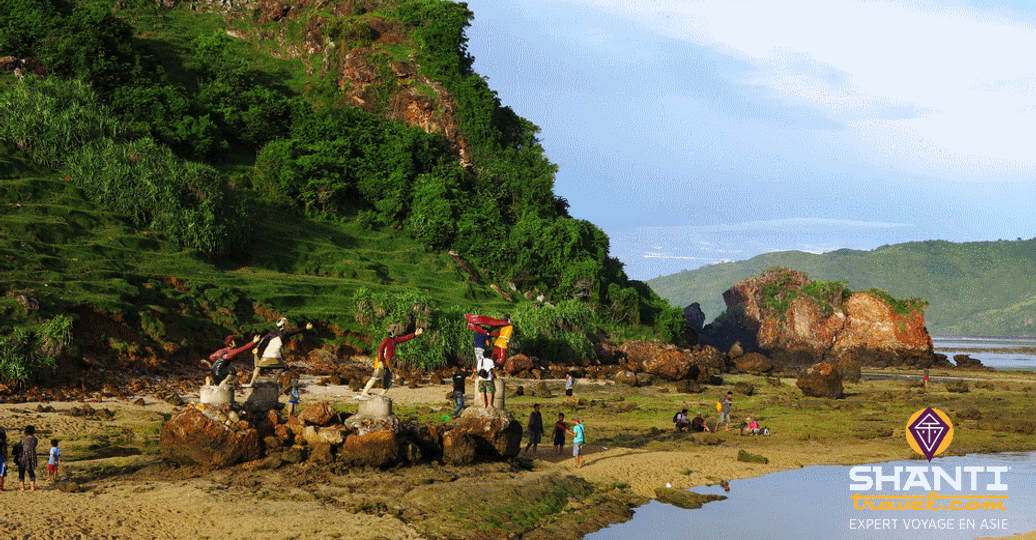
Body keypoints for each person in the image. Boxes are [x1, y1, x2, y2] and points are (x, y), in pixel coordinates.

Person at [359, 325, 424, 397]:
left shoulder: (395, 340)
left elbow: (405, 338)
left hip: (388, 363)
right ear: (392, 332)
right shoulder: (386, 340)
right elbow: (380, 350)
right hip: (382, 361)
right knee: (375, 377)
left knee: (388, 381)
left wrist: (414, 334)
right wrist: (381, 360)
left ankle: (380, 395)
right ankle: (364, 392)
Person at [251, 318, 313, 385]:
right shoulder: (285, 333)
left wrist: (257, 347)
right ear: (283, 325)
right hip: (275, 356)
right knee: (282, 367)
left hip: (265, 355)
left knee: (258, 367)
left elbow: (263, 339)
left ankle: (251, 383)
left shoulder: (271, 333)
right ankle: (274, 382)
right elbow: (296, 331)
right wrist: (305, 328)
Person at [19, 425, 38, 491]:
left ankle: (22, 486)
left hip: (23, 456)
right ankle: (32, 486)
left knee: (21, 471)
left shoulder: (23, 439)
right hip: (31, 456)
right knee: (31, 471)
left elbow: (20, 447)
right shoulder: (35, 439)